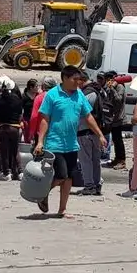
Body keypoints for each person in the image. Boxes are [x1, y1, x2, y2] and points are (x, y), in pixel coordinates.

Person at [34, 66, 107, 217]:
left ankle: (62, 209)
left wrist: (100, 134)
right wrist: (40, 141)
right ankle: (42, 194)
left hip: (72, 144)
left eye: (80, 79)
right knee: (61, 175)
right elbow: (44, 119)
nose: (78, 82)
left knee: (69, 178)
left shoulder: (79, 95)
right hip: (54, 143)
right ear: (65, 78)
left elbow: (88, 117)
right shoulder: (52, 95)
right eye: (75, 79)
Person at [75, 72, 106, 196]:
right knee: (95, 160)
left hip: (85, 132)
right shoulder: (98, 90)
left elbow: (82, 113)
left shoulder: (87, 94)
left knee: (85, 160)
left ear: (81, 80)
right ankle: (96, 185)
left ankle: (89, 186)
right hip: (96, 132)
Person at [101, 71, 128, 169]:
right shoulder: (110, 87)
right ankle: (117, 158)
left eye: (110, 79)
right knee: (115, 139)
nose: (108, 81)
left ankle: (122, 160)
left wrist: (112, 88)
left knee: (118, 140)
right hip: (112, 118)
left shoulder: (120, 87)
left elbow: (118, 100)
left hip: (118, 118)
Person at [27, 76, 57, 143]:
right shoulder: (59, 97)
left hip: (41, 132)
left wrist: (31, 132)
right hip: (56, 132)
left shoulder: (39, 98)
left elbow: (34, 117)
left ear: (43, 86)